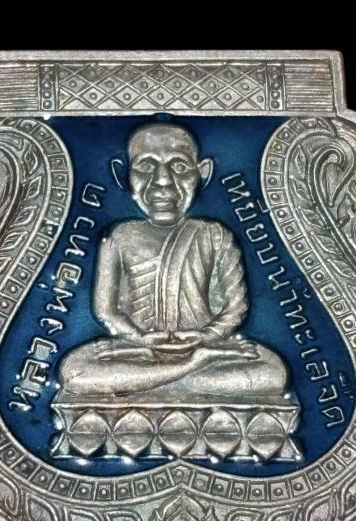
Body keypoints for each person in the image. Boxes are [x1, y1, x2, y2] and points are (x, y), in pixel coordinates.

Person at [58, 123, 288, 399]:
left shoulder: (214, 234)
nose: (163, 181)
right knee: (74, 371)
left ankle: (152, 380)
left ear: (202, 173)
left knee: (273, 372)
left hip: (204, 347)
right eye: (146, 166)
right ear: (124, 173)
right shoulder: (119, 237)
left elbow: (234, 309)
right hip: (140, 351)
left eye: (179, 167)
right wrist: (138, 338)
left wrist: (205, 337)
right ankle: (185, 372)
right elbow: (107, 311)